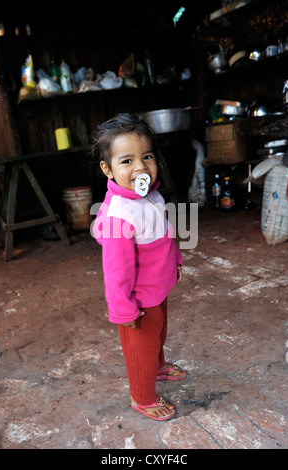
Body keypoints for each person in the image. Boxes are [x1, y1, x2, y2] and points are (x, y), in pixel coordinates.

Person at [90, 112, 185, 421]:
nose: (141, 167)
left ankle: (157, 368)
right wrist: (122, 310)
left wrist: (176, 262)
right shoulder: (120, 214)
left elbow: (165, 234)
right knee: (140, 349)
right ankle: (142, 398)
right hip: (137, 301)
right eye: (127, 161)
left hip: (157, 288)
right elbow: (115, 270)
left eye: (146, 156)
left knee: (158, 334)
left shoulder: (151, 194)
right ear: (108, 169)